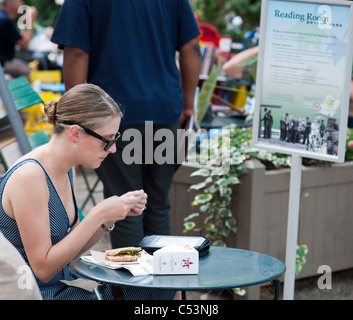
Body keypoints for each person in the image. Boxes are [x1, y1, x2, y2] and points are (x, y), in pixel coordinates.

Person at [0, 83, 177, 300]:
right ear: (75, 133)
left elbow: (70, 251)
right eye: (107, 140)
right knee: (161, 288)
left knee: (167, 281)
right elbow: (43, 270)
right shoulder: (30, 177)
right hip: (41, 294)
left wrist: (107, 219)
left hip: (66, 286)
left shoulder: (65, 169)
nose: (112, 149)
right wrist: (97, 215)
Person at [51, 0, 202, 248]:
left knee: (124, 207)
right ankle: (159, 284)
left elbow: (76, 52)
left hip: (111, 118)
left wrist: (74, 115)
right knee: (157, 204)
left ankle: (131, 286)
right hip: (164, 113)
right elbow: (192, 47)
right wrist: (188, 104)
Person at [0, 0, 37, 78]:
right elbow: (24, 45)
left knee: (23, 66)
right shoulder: (5, 20)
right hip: (3, 62)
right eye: (19, 1)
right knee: (28, 71)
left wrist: (26, 24)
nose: (22, 3)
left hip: (5, 60)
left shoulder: (3, 17)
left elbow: (19, 40)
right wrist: (30, 21)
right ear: (9, 4)